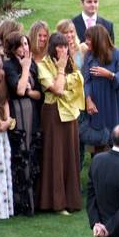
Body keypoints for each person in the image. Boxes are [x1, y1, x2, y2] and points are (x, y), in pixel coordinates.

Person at [37, 33, 85, 213]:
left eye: (66, 46)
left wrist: (64, 77)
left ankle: (71, 200)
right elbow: (57, 89)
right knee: (55, 155)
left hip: (70, 113)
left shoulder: (71, 64)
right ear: (53, 47)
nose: (64, 50)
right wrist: (61, 71)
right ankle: (55, 202)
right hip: (53, 114)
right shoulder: (43, 65)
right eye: (60, 46)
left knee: (69, 155)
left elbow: (78, 82)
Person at [2, 32, 42, 216]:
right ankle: (19, 204)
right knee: (20, 158)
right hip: (17, 116)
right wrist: (25, 70)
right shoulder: (9, 65)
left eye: (26, 44)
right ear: (13, 48)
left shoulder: (32, 64)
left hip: (33, 115)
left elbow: (38, 94)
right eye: (21, 45)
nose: (25, 48)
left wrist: (29, 90)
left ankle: (33, 201)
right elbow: (18, 90)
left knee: (33, 155)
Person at [82, 25, 119, 151]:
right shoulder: (89, 56)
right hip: (97, 106)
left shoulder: (118, 55)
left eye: (89, 38)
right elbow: (87, 80)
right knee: (100, 145)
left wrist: (109, 75)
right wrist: (88, 100)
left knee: (117, 143)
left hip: (114, 105)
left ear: (98, 39)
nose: (86, 41)